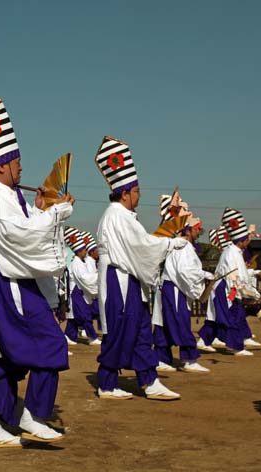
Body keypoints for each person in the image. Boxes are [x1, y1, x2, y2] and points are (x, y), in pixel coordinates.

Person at [0, 90, 74, 447]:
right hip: (13, 281)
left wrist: (41, 208)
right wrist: (55, 213)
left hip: (13, 278)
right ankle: (34, 413)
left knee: (9, 357)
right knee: (50, 344)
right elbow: (19, 235)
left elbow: (23, 230)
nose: (22, 167)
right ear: (0, 166)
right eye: (17, 161)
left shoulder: (9, 196)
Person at [93, 136, 186, 401]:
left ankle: (149, 379)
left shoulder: (121, 216)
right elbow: (143, 246)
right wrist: (169, 244)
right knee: (120, 331)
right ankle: (107, 382)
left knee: (142, 330)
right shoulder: (117, 216)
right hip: (118, 280)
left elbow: (141, 245)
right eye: (136, 192)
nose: (139, 196)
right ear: (124, 193)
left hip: (128, 280)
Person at [152, 207, 213, 373]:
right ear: (188, 229)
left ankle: (161, 357)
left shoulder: (180, 245)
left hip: (170, 287)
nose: (198, 232)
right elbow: (186, 271)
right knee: (180, 323)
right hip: (174, 289)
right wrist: (205, 275)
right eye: (196, 229)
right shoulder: (183, 246)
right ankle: (189, 358)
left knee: (165, 323)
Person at [198, 208, 260, 356]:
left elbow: (240, 274)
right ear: (242, 240)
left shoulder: (234, 252)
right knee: (233, 317)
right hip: (226, 289)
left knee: (217, 317)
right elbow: (234, 276)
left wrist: (250, 284)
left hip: (227, 288)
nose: (248, 242)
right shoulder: (231, 253)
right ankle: (236, 346)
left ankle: (203, 341)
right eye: (247, 240)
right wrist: (248, 291)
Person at [64, 228, 102, 346]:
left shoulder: (81, 262)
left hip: (81, 293)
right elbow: (85, 278)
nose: (85, 251)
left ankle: (69, 335)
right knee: (85, 315)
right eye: (84, 249)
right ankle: (92, 337)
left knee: (76, 318)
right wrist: (99, 276)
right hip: (78, 294)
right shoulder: (77, 264)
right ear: (79, 251)